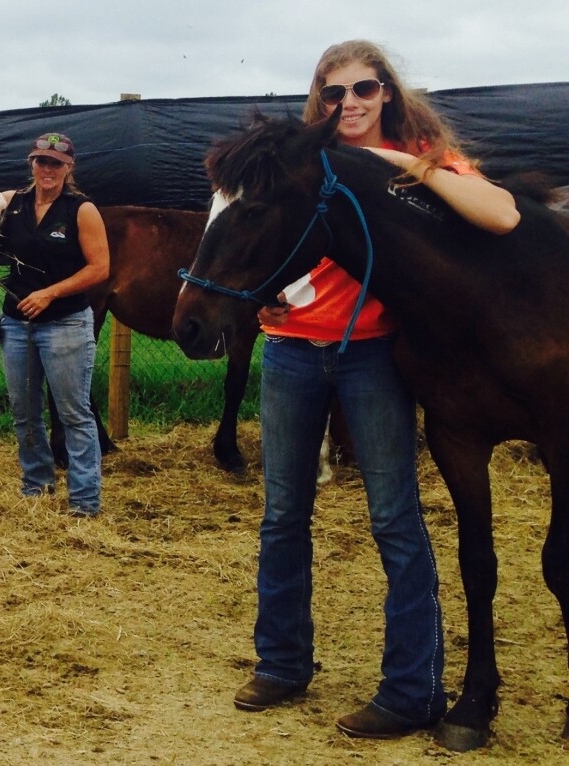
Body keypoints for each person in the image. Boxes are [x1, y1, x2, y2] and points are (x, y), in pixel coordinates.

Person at [232, 39, 518, 740]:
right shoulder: (303, 161)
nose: (349, 104)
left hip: (375, 353)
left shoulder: (419, 153)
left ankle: (412, 688)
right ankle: (282, 661)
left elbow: (503, 215)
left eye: (363, 89)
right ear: (319, 100)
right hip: (295, 349)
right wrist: (267, 300)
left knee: (394, 517)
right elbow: (270, 241)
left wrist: (398, 164)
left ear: (386, 91)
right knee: (282, 515)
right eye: (334, 94)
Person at [0, 133, 110, 517]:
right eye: (41, 162)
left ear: (68, 168)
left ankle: (84, 499)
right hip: (16, 323)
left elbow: (99, 269)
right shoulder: (12, 202)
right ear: (31, 164)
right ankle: (36, 484)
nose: (47, 170)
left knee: (74, 413)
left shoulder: (81, 210)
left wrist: (51, 293)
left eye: (55, 164)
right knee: (24, 411)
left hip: (65, 324)